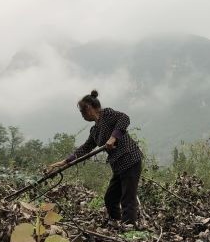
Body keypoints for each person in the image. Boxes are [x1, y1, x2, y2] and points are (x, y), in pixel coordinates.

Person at [47, 90, 143, 227]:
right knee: (110, 198)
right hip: (118, 165)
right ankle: (116, 222)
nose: (82, 115)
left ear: (91, 108)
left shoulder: (107, 114)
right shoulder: (95, 131)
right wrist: (65, 161)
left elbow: (124, 118)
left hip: (130, 159)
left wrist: (113, 137)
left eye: (83, 111)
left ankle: (129, 228)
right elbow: (86, 147)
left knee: (127, 198)